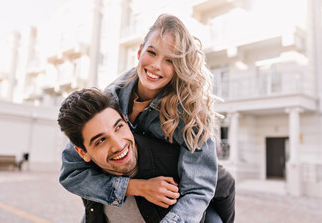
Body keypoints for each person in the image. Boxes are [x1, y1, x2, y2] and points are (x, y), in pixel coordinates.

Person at [60, 14, 235, 223]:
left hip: (188, 196)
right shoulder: (112, 98)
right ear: (140, 51)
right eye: (151, 52)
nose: (156, 65)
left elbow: (198, 188)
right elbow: (71, 171)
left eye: (170, 60)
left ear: (180, 66)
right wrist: (136, 188)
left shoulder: (191, 113)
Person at [58, 88, 222, 223]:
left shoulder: (171, 161)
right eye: (101, 140)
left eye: (118, 127)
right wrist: (137, 187)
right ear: (82, 153)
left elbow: (222, 187)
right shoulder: (88, 177)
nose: (118, 145)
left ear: (125, 120)